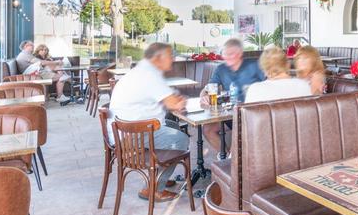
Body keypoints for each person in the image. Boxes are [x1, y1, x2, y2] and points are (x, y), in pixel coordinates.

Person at [108, 42, 188, 203]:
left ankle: (160, 174)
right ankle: (154, 188)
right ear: (158, 58)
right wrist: (178, 101)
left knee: (173, 126)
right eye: (169, 56)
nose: (172, 60)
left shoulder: (141, 72)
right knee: (181, 139)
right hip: (132, 137)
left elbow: (167, 100)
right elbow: (175, 104)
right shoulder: (150, 76)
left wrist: (171, 100)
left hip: (123, 133)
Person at [199, 38, 266, 153]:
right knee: (208, 129)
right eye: (225, 54)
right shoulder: (221, 69)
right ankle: (227, 156)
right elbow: (208, 88)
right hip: (230, 113)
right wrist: (203, 96)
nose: (228, 57)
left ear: (240, 53)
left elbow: (269, 83)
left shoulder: (255, 65)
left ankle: (236, 159)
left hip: (253, 114)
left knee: (242, 131)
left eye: (232, 54)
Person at [245, 47, 312, 103]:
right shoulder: (304, 85)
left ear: (264, 69)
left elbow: (247, 117)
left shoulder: (255, 90)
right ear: (287, 64)